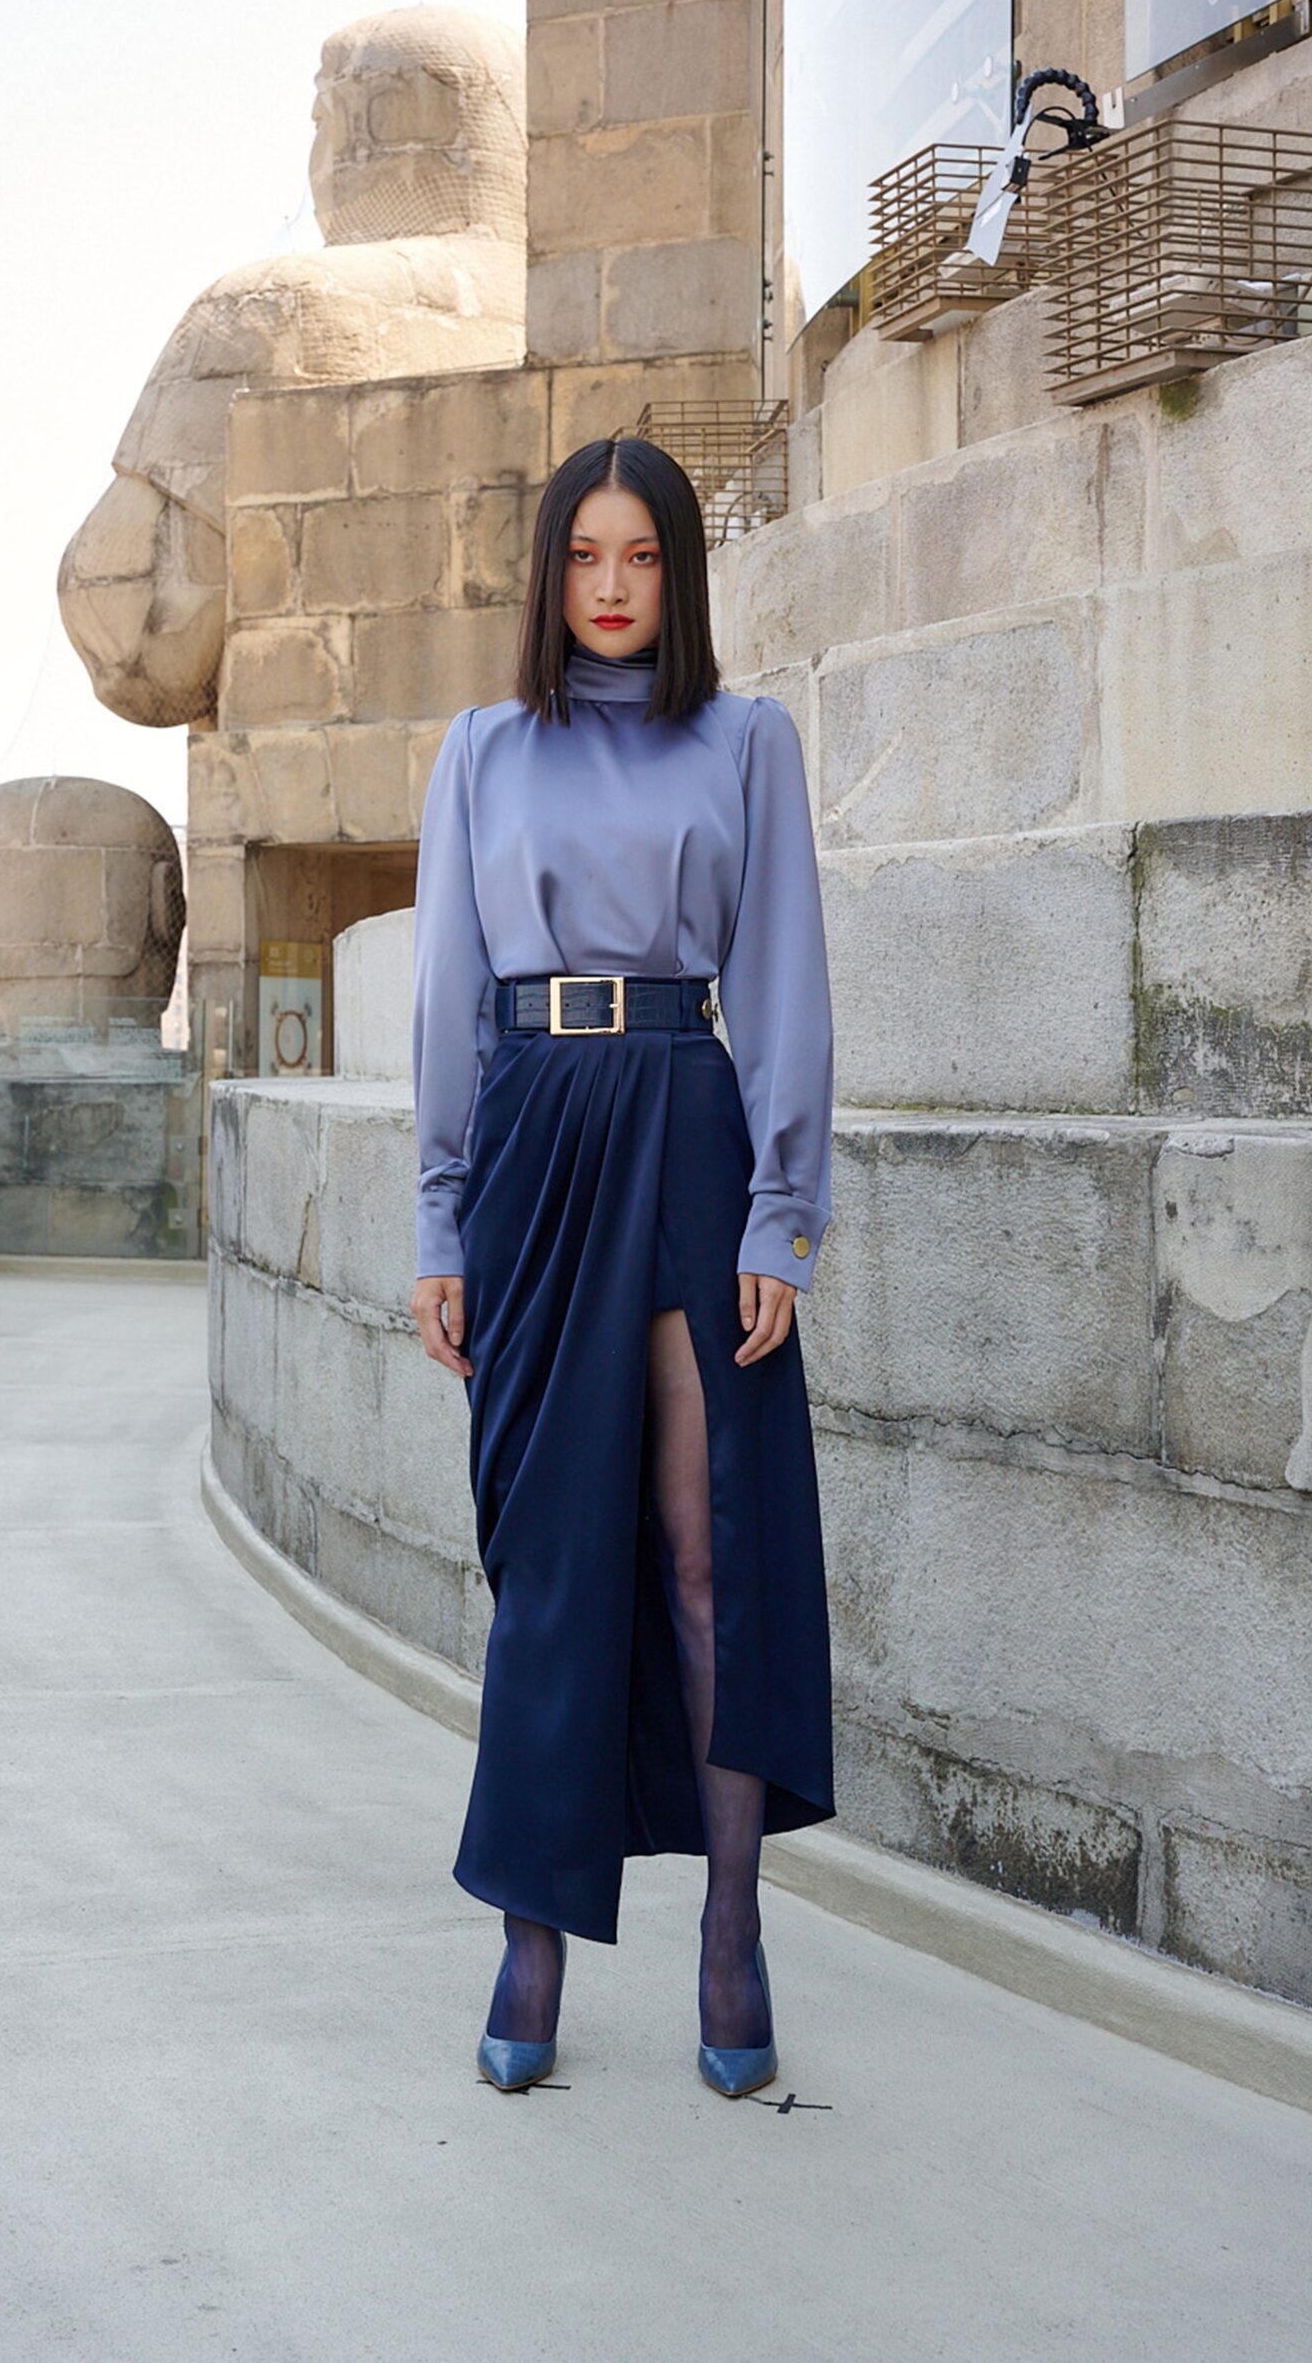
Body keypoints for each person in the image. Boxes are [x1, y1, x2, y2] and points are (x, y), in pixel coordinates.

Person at [410, 435, 836, 2100]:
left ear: (678, 571)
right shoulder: (480, 751)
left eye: (640, 556)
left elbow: (785, 973)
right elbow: (450, 991)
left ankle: (732, 1925)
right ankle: (531, 1926)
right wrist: (441, 1218)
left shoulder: (745, 740)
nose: (608, 585)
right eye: (583, 555)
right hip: (528, 1137)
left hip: (686, 1120)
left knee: (703, 1546)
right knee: (548, 1557)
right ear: (548, 572)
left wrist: (779, 1214)